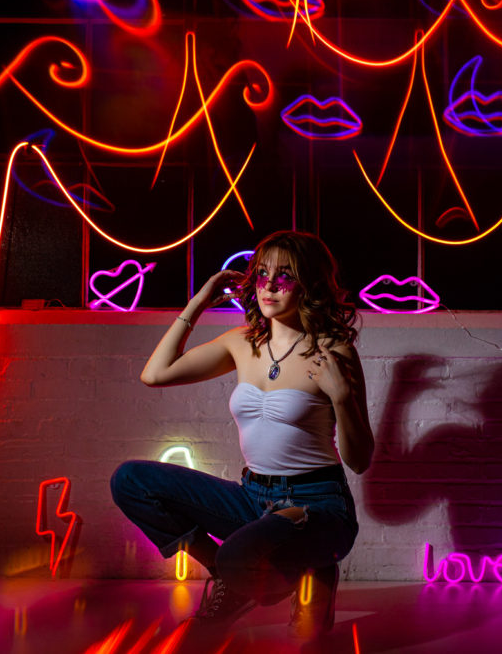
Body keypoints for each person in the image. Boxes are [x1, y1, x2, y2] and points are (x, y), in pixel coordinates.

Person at [110, 230, 374, 638]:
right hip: (253, 497)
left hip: (318, 504)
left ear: (309, 283)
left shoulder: (333, 351)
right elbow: (155, 374)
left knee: (239, 555)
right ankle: (230, 574)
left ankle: (311, 568)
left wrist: (341, 397)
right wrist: (199, 302)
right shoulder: (242, 342)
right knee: (131, 481)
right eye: (263, 273)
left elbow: (359, 460)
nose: (269, 285)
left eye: (285, 276)